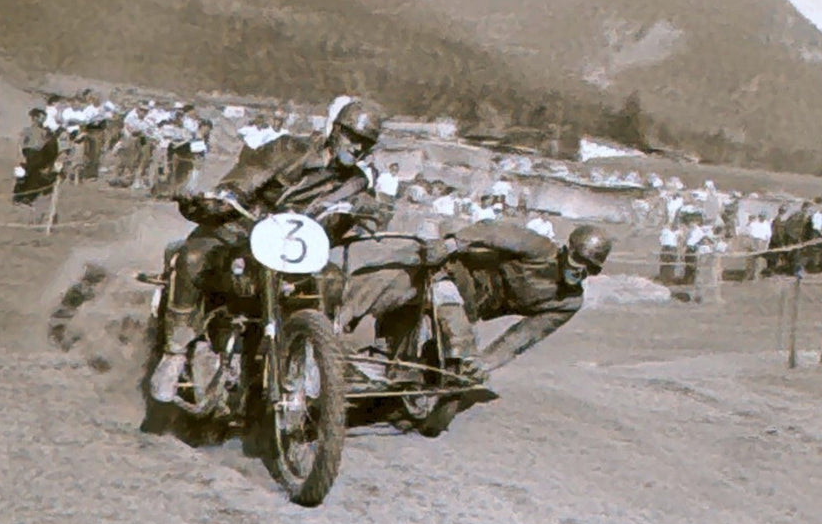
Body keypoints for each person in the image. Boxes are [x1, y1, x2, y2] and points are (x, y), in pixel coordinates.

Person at [151, 99, 388, 402]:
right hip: (244, 227)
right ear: (336, 130)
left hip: (293, 251)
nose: (356, 148)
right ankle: (175, 351)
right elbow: (245, 178)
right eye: (352, 137)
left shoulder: (356, 181)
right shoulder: (289, 149)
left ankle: (313, 355)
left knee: (332, 279)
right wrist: (224, 199)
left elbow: (351, 216)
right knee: (194, 257)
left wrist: (372, 214)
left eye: (364, 143)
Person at [345, 223, 613, 382]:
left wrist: (486, 362)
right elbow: (492, 232)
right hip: (456, 268)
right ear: (568, 251)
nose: (580, 271)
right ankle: (340, 319)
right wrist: (453, 244)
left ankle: (395, 362)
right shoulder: (539, 248)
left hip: (472, 305)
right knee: (398, 272)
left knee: (461, 349)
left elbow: (524, 336)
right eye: (579, 262)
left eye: (589, 268)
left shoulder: (568, 302)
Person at [14, 108, 60, 206]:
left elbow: (47, 144)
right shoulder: (28, 130)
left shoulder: (45, 131)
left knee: (35, 175)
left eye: (44, 118)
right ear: (35, 118)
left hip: (39, 154)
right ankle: (18, 197)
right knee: (24, 176)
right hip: (29, 153)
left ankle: (28, 198)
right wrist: (20, 156)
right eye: (41, 117)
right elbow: (21, 143)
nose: (43, 120)